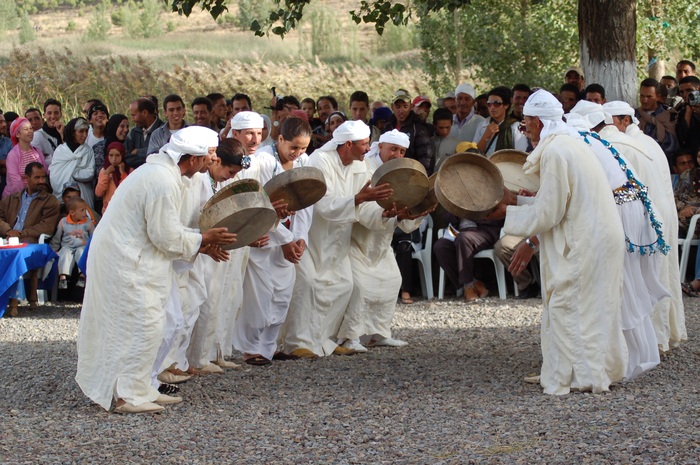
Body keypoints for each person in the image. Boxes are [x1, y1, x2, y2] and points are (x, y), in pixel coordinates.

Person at [75, 126, 237, 414]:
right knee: (141, 324)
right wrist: (204, 239)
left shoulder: (169, 175)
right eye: (210, 154)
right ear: (192, 158)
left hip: (136, 257)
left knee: (152, 324)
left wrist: (200, 243)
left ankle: (142, 387)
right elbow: (166, 235)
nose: (213, 160)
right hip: (125, 259)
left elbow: (171, 229)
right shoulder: (161, 180)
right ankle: (128, 396)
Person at [501, 90, 627, 395]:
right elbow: (557, 200)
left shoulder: (558, 151)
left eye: (526, 122)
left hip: (587, 238)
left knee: (569, 304)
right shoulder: (570, 142)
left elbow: (550, 211)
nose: (525, 128)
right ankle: (567, 369)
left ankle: (583, 376)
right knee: (590, 305)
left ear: (539, 121)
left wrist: (508, 214)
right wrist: (520, 202)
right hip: (596, 234)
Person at [566, 110, 668, 381]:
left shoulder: (579, 143)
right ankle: (632, 355)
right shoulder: (600, 141)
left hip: (619, 214)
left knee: (618, 287)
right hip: (634, 213)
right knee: (627, 285)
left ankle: (624, 360)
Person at [281, 120, 392, 358]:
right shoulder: (320, 161)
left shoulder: (360, 167)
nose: (367, 149)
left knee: (343, 286)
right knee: (309, 284)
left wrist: (385, 213)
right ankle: (297, 342)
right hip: (314, 236)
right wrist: (357, 199)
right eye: (364, 144)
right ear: (348, 144)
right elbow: (321, 204)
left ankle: (324, 340)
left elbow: (365, 207)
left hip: (340, 239)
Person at [599, 100, 686, 353]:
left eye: (610, 122)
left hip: (647, 217)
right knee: (662, 274)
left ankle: (651, 342)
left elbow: (624, 191)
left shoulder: (620, 145)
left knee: (646, 279)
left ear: (625, 120)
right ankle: (664, 335)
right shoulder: (648, 142)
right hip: (663, 214)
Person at [337, 129, 427, 352]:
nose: (397, 154)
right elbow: (361, 204)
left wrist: (414, 212)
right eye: (393, 149)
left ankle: (378, 334)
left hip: (381, 241)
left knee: (391, 281)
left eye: (402, 151)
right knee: (360, 287)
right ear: (380, 147)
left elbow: (405, 209)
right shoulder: (363, 168)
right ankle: (351, 337)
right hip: (357, 239)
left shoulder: (402, 173)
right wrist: (384, 215)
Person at [233, 117, 313, 365]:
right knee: (260, 296)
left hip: (288, 239)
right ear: (280, 139)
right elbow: (262, 204)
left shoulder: (304, 162)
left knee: (282, 295)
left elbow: (307, 203)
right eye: (293, 147)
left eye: (303, 148)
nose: (298, 153)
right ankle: (250, 349)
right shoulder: (263, 161)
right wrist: (286, 239)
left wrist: (299, 238)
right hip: (265, 236)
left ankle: (268, 347)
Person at [187, 139, 249, 373]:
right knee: (197, 304)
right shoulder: (201, 181)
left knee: (218, 301)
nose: (230, 176)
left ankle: (206, 356)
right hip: (198, 248)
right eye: (229, 171)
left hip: (211, 250)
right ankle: (188, 360)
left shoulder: (216, 182)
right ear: (218, 160)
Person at [0, 163, 60, 317]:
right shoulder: (11, 199)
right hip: (8, 240)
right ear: (26, 178)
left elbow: (47, 226)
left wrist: (20, 234)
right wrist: (8, 230)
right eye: (37, 177)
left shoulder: (50, 201)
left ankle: (13, 303)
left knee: (17, 254)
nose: (41, 181)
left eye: (43, 177)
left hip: (32, 244)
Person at [385, 89, 435, 174]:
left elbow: (426, 157)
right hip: (391, 174)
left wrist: (420, 178)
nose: (401, 110)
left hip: (411, 176)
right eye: (398, 107)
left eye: (405, 106)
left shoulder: (418, 128)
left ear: (411, 107)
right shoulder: (388, 127)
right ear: (392, 107)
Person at [50, 117, 96, 210]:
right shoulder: (60, 150)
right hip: (62, 195)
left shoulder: (87, 151)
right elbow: (54, 174)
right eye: (81, 131)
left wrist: (75, 173)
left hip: (83, 194)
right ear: (73, 132)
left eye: (86, 131)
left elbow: (90, 172)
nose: (84, 135)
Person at [50, 197, 94, 290]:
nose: (84, 213)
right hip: (67, 246)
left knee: (81, 253)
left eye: (85, 210)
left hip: (82, 246)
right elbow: (57, 238)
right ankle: (63, 277)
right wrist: (52, 250)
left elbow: (93, 237)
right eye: (82, 210)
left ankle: (82, 275)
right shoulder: (63, 222)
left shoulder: (88, 222)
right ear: (72, 212)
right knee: (65, 254)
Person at [473, 86, 528, 156]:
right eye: (489, 104)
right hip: (485, 165)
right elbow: (474, 154)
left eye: (497, 103)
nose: (492, 107)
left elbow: (521, 154)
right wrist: (485, 137)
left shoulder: (515, 127)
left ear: (506, 105)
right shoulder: (482, 125)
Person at [2, 117, 48, 198]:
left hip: (38, 194)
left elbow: (46, 172)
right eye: (26, 129)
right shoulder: (12, 155)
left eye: (31, 128)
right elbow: (15, 182)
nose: (30, 131)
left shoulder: (37, 151)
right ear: (17, 134)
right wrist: (28, 197)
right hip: (18, 197)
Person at [635, 78, 679, 162]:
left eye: (649, 97)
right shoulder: (634, 115)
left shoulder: (669, 116)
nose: (644, 100)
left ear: (658, 97)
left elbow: (671, 146)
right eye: (642, 96)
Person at [124, 97, 164, 169]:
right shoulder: (133, 133)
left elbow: (162, 155)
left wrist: (138, 152)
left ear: (145, 113)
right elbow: (126, 157)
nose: (132, 119)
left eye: (133, 115)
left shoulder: (163, 131)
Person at [95, 142, 130, 214]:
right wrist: (106, 174)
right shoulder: (104, 170)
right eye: (111, 155)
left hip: (124, 210)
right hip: (108, 210)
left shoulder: (129, 170)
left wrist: (123, 174)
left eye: (117, 155)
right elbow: (99, 193)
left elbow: (127, 191)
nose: (114, 159)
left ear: (122, 155)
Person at [31, 98, 64, 165]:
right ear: (44, 115)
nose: (53, 116)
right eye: (49, 113)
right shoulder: (37, 136)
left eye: (56, 113)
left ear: (60, 114)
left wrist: (62, 134)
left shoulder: (67, 132)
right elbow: (37, 161)